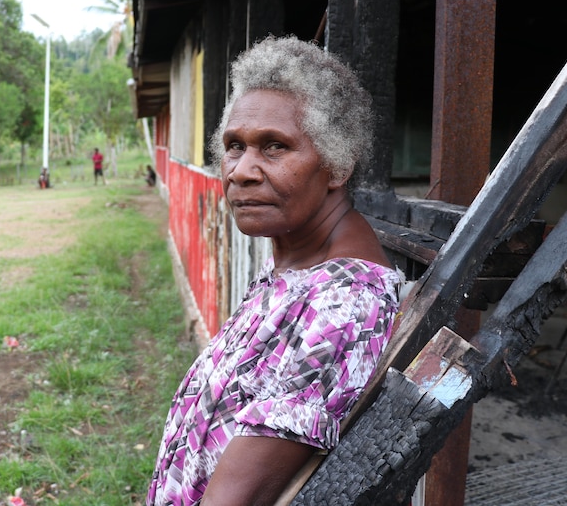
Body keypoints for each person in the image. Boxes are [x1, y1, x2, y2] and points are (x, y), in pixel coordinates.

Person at [146, 36, 403, 506]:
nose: (241, 170)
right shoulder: (296, 263)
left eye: (274, 147)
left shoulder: (346, 303)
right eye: (234, 146)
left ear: (337, 163)